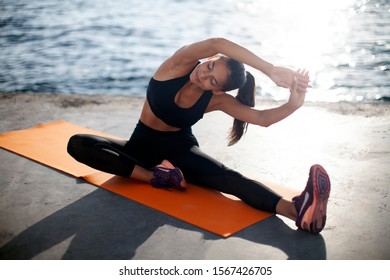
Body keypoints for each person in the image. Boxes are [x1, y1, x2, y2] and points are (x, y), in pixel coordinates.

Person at [67, 38, 331, 234]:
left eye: (212, 81)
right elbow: (218, 41)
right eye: (210, 66)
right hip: (140, 147)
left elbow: (262, 119)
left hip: (180, 151)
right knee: (79, 144)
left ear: (217, 92)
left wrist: (294, 104)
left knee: (229, 179)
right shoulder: (179, 64)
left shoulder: (216, 101)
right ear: (211, 57)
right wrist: (270, 69)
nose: (203, 74)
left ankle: (297, 210)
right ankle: (157, 176)